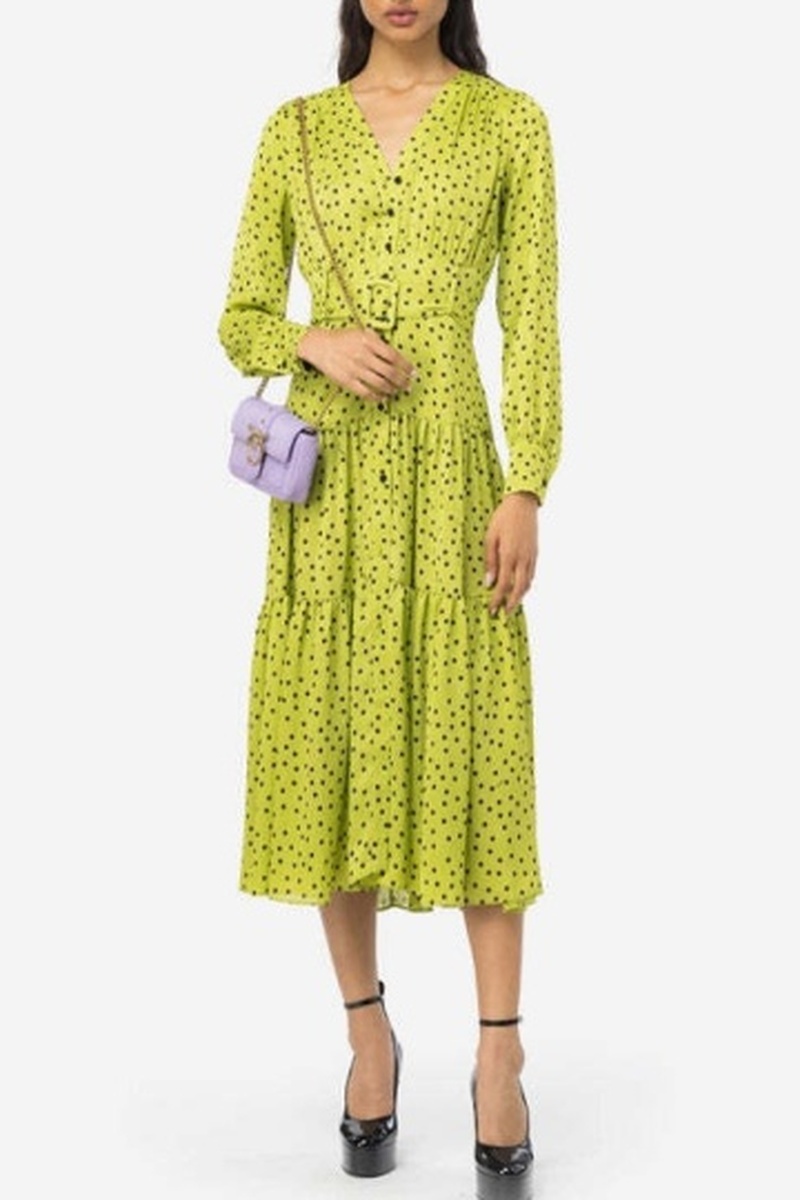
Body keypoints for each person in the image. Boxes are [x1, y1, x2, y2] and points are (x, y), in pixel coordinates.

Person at [217, 1, 562, 1194]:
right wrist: (312, 341)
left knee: (477, 740)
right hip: (329, 487)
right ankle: (368, 1037)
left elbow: (530, 317)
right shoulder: (296, 128)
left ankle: (499, 1055)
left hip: (453, 468)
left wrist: (526, 481)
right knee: (332, 740)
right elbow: (238, 313)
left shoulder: (509, 124)